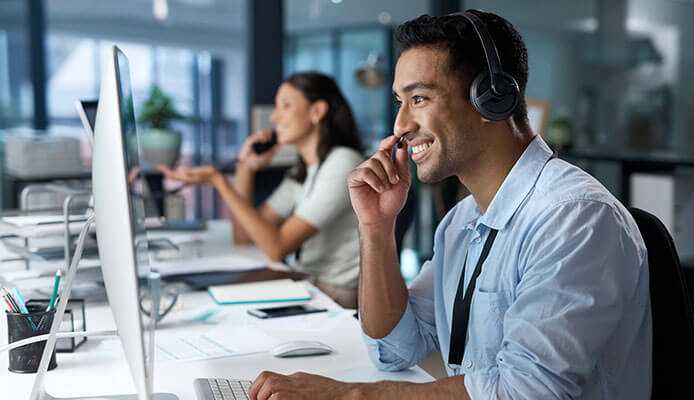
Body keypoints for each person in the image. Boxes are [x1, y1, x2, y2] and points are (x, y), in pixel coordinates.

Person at [248, 10, 651, 400]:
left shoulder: (574, 217)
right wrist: (376, 229)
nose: (400, 126)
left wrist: (348, 396)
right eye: (399, 102)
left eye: (419, 98)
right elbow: (394, 349)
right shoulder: (461, 222)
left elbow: (526, 392)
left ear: (492, 99)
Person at [159, 72, 365, 308]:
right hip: (308, 283)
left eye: (285, 106)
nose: (275, 118)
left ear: (316, 112)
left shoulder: (342, 163)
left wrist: (219, 181)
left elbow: (276, 247)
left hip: (334, 295)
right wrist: (246, 169)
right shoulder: (305, 170)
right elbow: (244, 237)